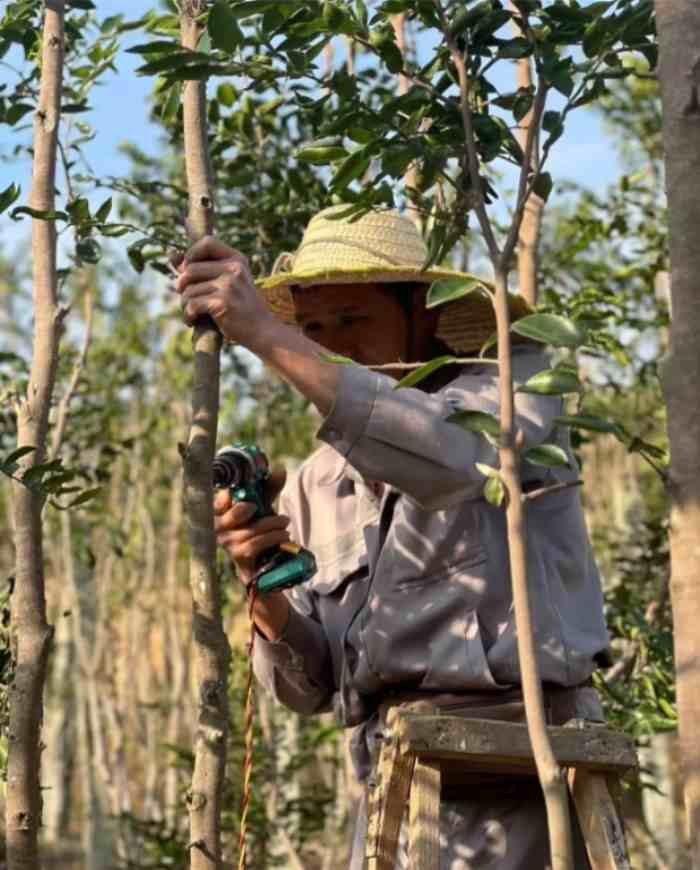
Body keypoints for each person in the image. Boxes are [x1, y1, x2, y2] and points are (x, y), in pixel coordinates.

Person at [172, 207, 610, 868]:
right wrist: (259, 581)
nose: (332, 348)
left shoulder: (511, 390)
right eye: (314, 331)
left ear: (424, 315)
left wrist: (263, 332)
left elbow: (453, 456)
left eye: (353, 320)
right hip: (395, 784)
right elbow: (311, 687)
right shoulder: (317, 483)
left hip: (527, 767)